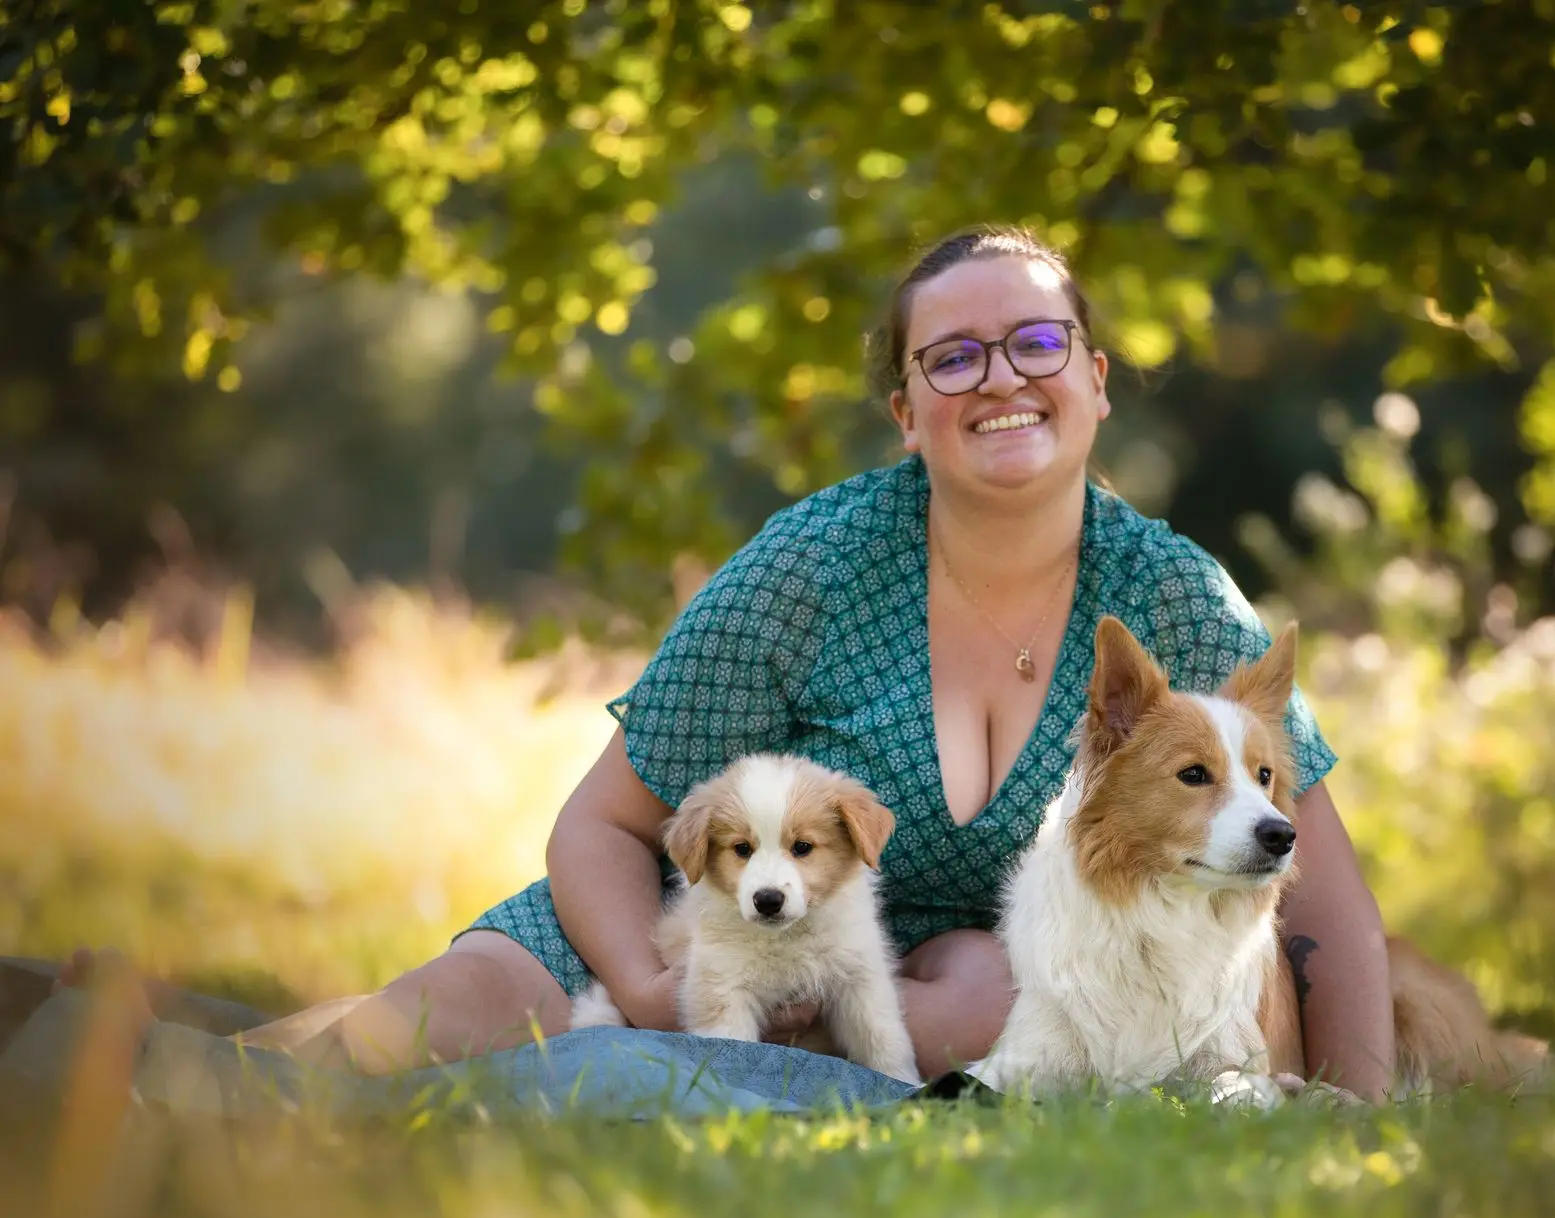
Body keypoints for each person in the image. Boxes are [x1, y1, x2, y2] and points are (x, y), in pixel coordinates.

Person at [65, 225, 1397, 1098]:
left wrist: (1364, 1117)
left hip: (922, 988)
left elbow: (1323, 905)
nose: (1002, 377)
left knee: (991, 992)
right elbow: (599, 826)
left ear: (1095, 379)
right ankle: (126, 1081)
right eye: (952, 357)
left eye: (1037, 343)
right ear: (907, 411)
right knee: (449, 1009)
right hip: (691, 925)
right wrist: (657, 988)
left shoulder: (1175, 597)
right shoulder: (810, 565)